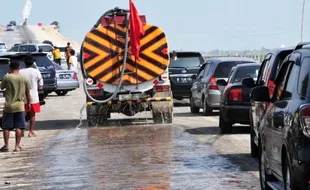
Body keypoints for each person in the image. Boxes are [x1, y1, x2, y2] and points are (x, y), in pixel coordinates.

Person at [0, 60, 31, 152]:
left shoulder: (7, 77)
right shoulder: (24, 78)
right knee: (19, 127)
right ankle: (17, 146)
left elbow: (2, 87)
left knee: (6, 127)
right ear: (19, 68)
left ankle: (6, 146)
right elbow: (27, 92)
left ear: (10, 68)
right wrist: (28, 103)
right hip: (20, 105)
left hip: (9, 106)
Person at [20, 56, 44, 137]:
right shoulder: (36, 71)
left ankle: (21, 131)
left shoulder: (20, 72)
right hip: (33, 96)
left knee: (21, 114)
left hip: (22, 96)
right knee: (32, 115)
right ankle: (31, 131)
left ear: (24, 63)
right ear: (33, 63)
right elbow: (41, 84)